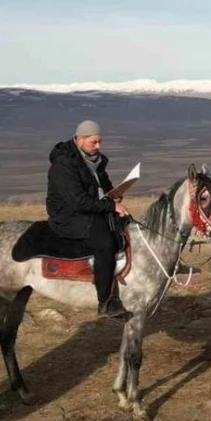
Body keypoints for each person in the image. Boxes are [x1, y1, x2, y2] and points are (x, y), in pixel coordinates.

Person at [46, 120, 131, 320]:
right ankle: (106, 301)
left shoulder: (95, 159)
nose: (98, 146)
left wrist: (114, 195)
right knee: (105, 243)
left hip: (89, 210)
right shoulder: (63, 164)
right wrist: (111, 206)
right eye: (94, 142)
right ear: (80, 139)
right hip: (68, 216)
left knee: (127, 225)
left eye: (100, 142)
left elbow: (104, 184)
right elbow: (78, 202)